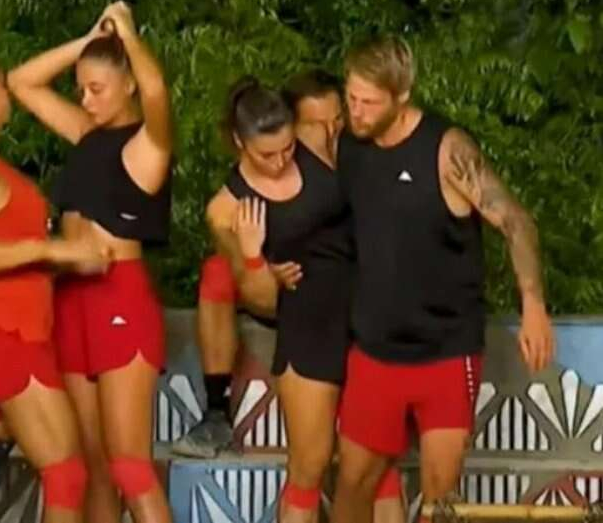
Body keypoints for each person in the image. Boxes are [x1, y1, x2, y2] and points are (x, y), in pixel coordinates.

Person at [332, 36, 556, 523]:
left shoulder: (446, 150)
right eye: (351, 97)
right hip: (374, 350)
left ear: (402, 95)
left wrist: (533, 304)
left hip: (446, 351)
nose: (356, 111)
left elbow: (517, 222)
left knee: (439, 497)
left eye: (369, 102)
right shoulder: (348, 143)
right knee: (352, 482)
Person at [195, 76, 402, 523]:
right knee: (309, 465)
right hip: (308, 326)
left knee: (378, 464)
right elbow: (261, 301)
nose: (280, 161)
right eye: (266, 154)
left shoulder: (314, 140)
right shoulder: (225, 210)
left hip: (366, 314)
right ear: (240, 143)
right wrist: (255, 258)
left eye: (287, 148)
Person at [7, 1, 173, 523]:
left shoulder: (148, 144)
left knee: (130, 465)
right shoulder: (86, 132)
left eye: (97, 89)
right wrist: (87, 42)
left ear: (128, 84)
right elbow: (20, 82)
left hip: (118, 294)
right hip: (70, 300)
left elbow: (158, 93)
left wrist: (128, 36)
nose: (86, 99)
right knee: (95, 467)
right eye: (81, 89)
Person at [0, 50, 107, 523]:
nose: (10, 98)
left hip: (23, 330)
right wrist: (55, 250)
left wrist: (69, 260)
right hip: (6, 337)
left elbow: (11, 252)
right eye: (4, 89)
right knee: (67, 475)